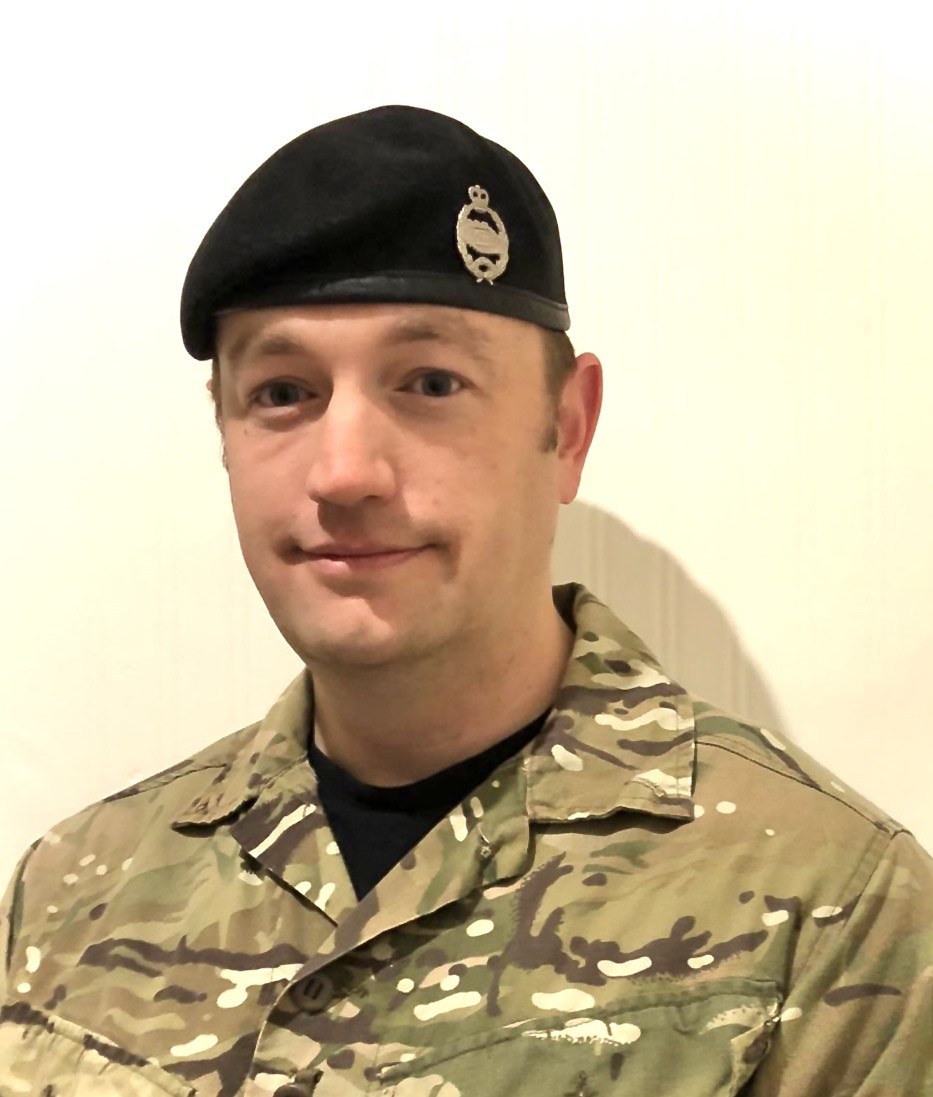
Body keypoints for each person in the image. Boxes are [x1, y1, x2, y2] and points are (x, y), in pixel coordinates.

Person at [1, 105, 930, 1097]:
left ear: (566, 428)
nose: (345, 471)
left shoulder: (833, 914)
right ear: (225, 433)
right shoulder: (72, 888)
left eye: (430, 381)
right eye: (282, 392)